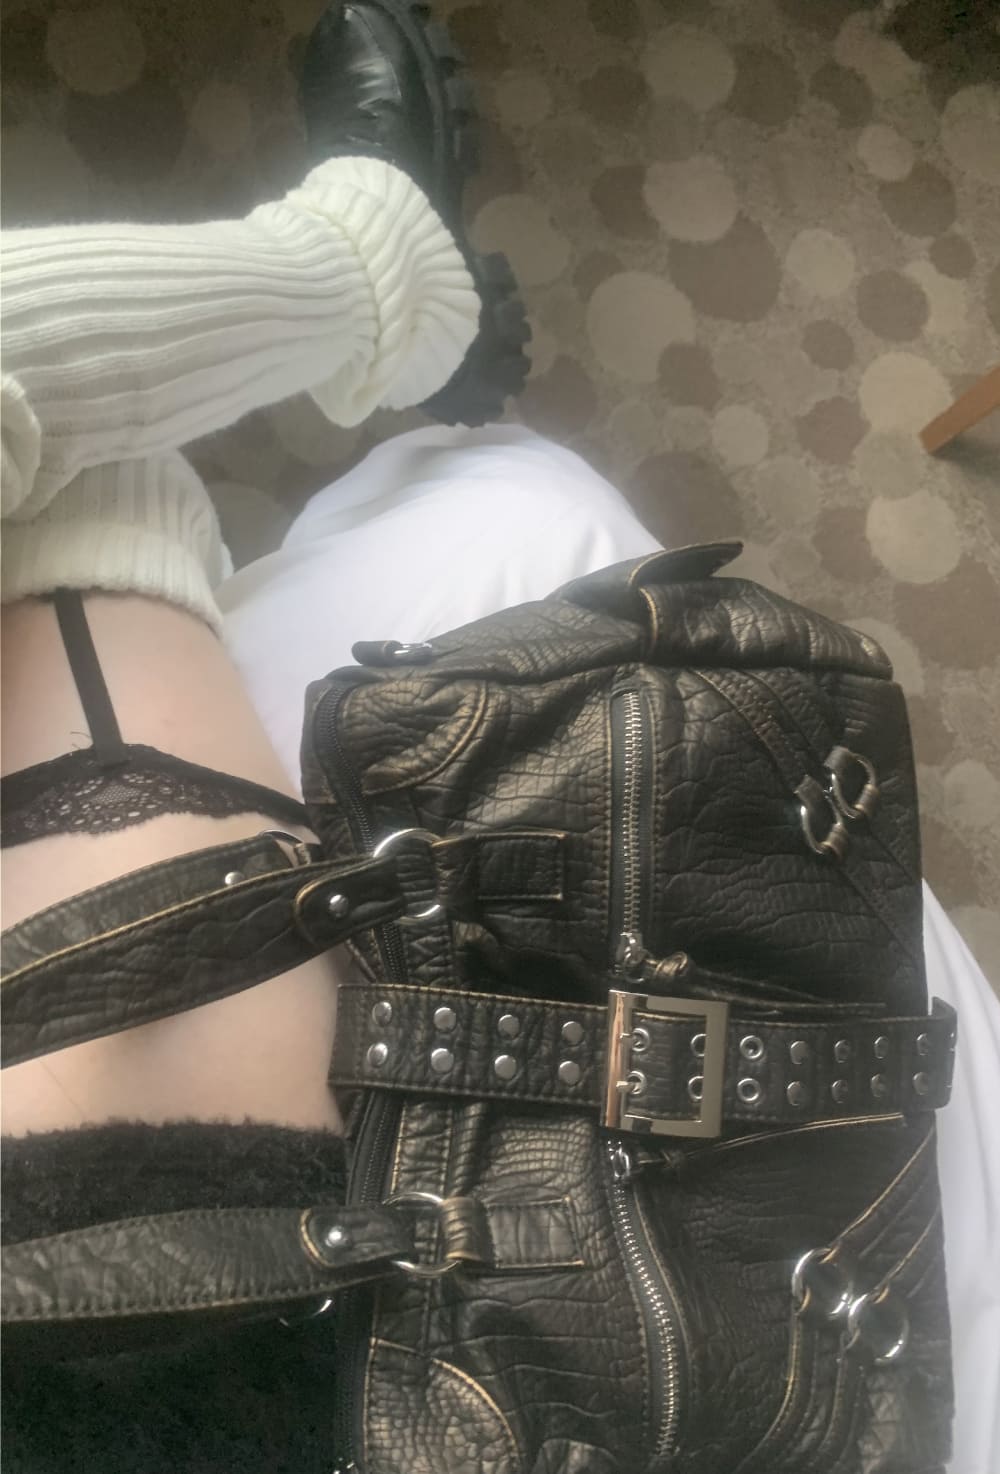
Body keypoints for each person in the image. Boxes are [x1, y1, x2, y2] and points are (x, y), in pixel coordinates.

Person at [1, 3, 997, 1470]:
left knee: (59, 454)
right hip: (231, 1325)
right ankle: (388, 275)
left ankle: (394, 293)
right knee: (72, 443)